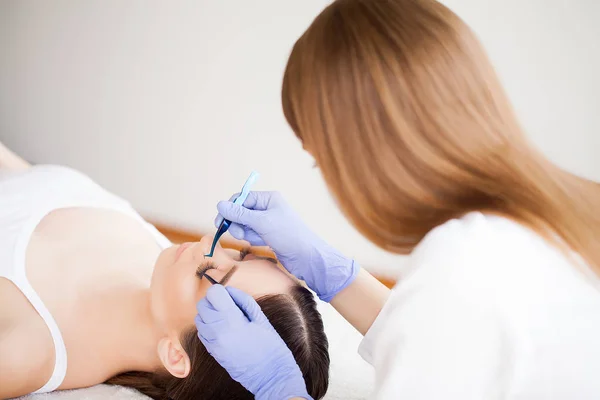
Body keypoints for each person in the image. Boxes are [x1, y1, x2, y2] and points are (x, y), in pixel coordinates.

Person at [194, 0, 600, 399]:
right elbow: (452, 346)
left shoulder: (461, 271)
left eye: (323, 162)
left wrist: (278, 390)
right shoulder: (570, 211)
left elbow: (451, 323)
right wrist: (334, 273)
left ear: (364, 151)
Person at [0, 141, 330, 400]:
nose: (204, 242)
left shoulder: (25, 355)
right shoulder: (163, 258)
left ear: (176, 354)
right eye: (240, 255)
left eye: (208, 273)